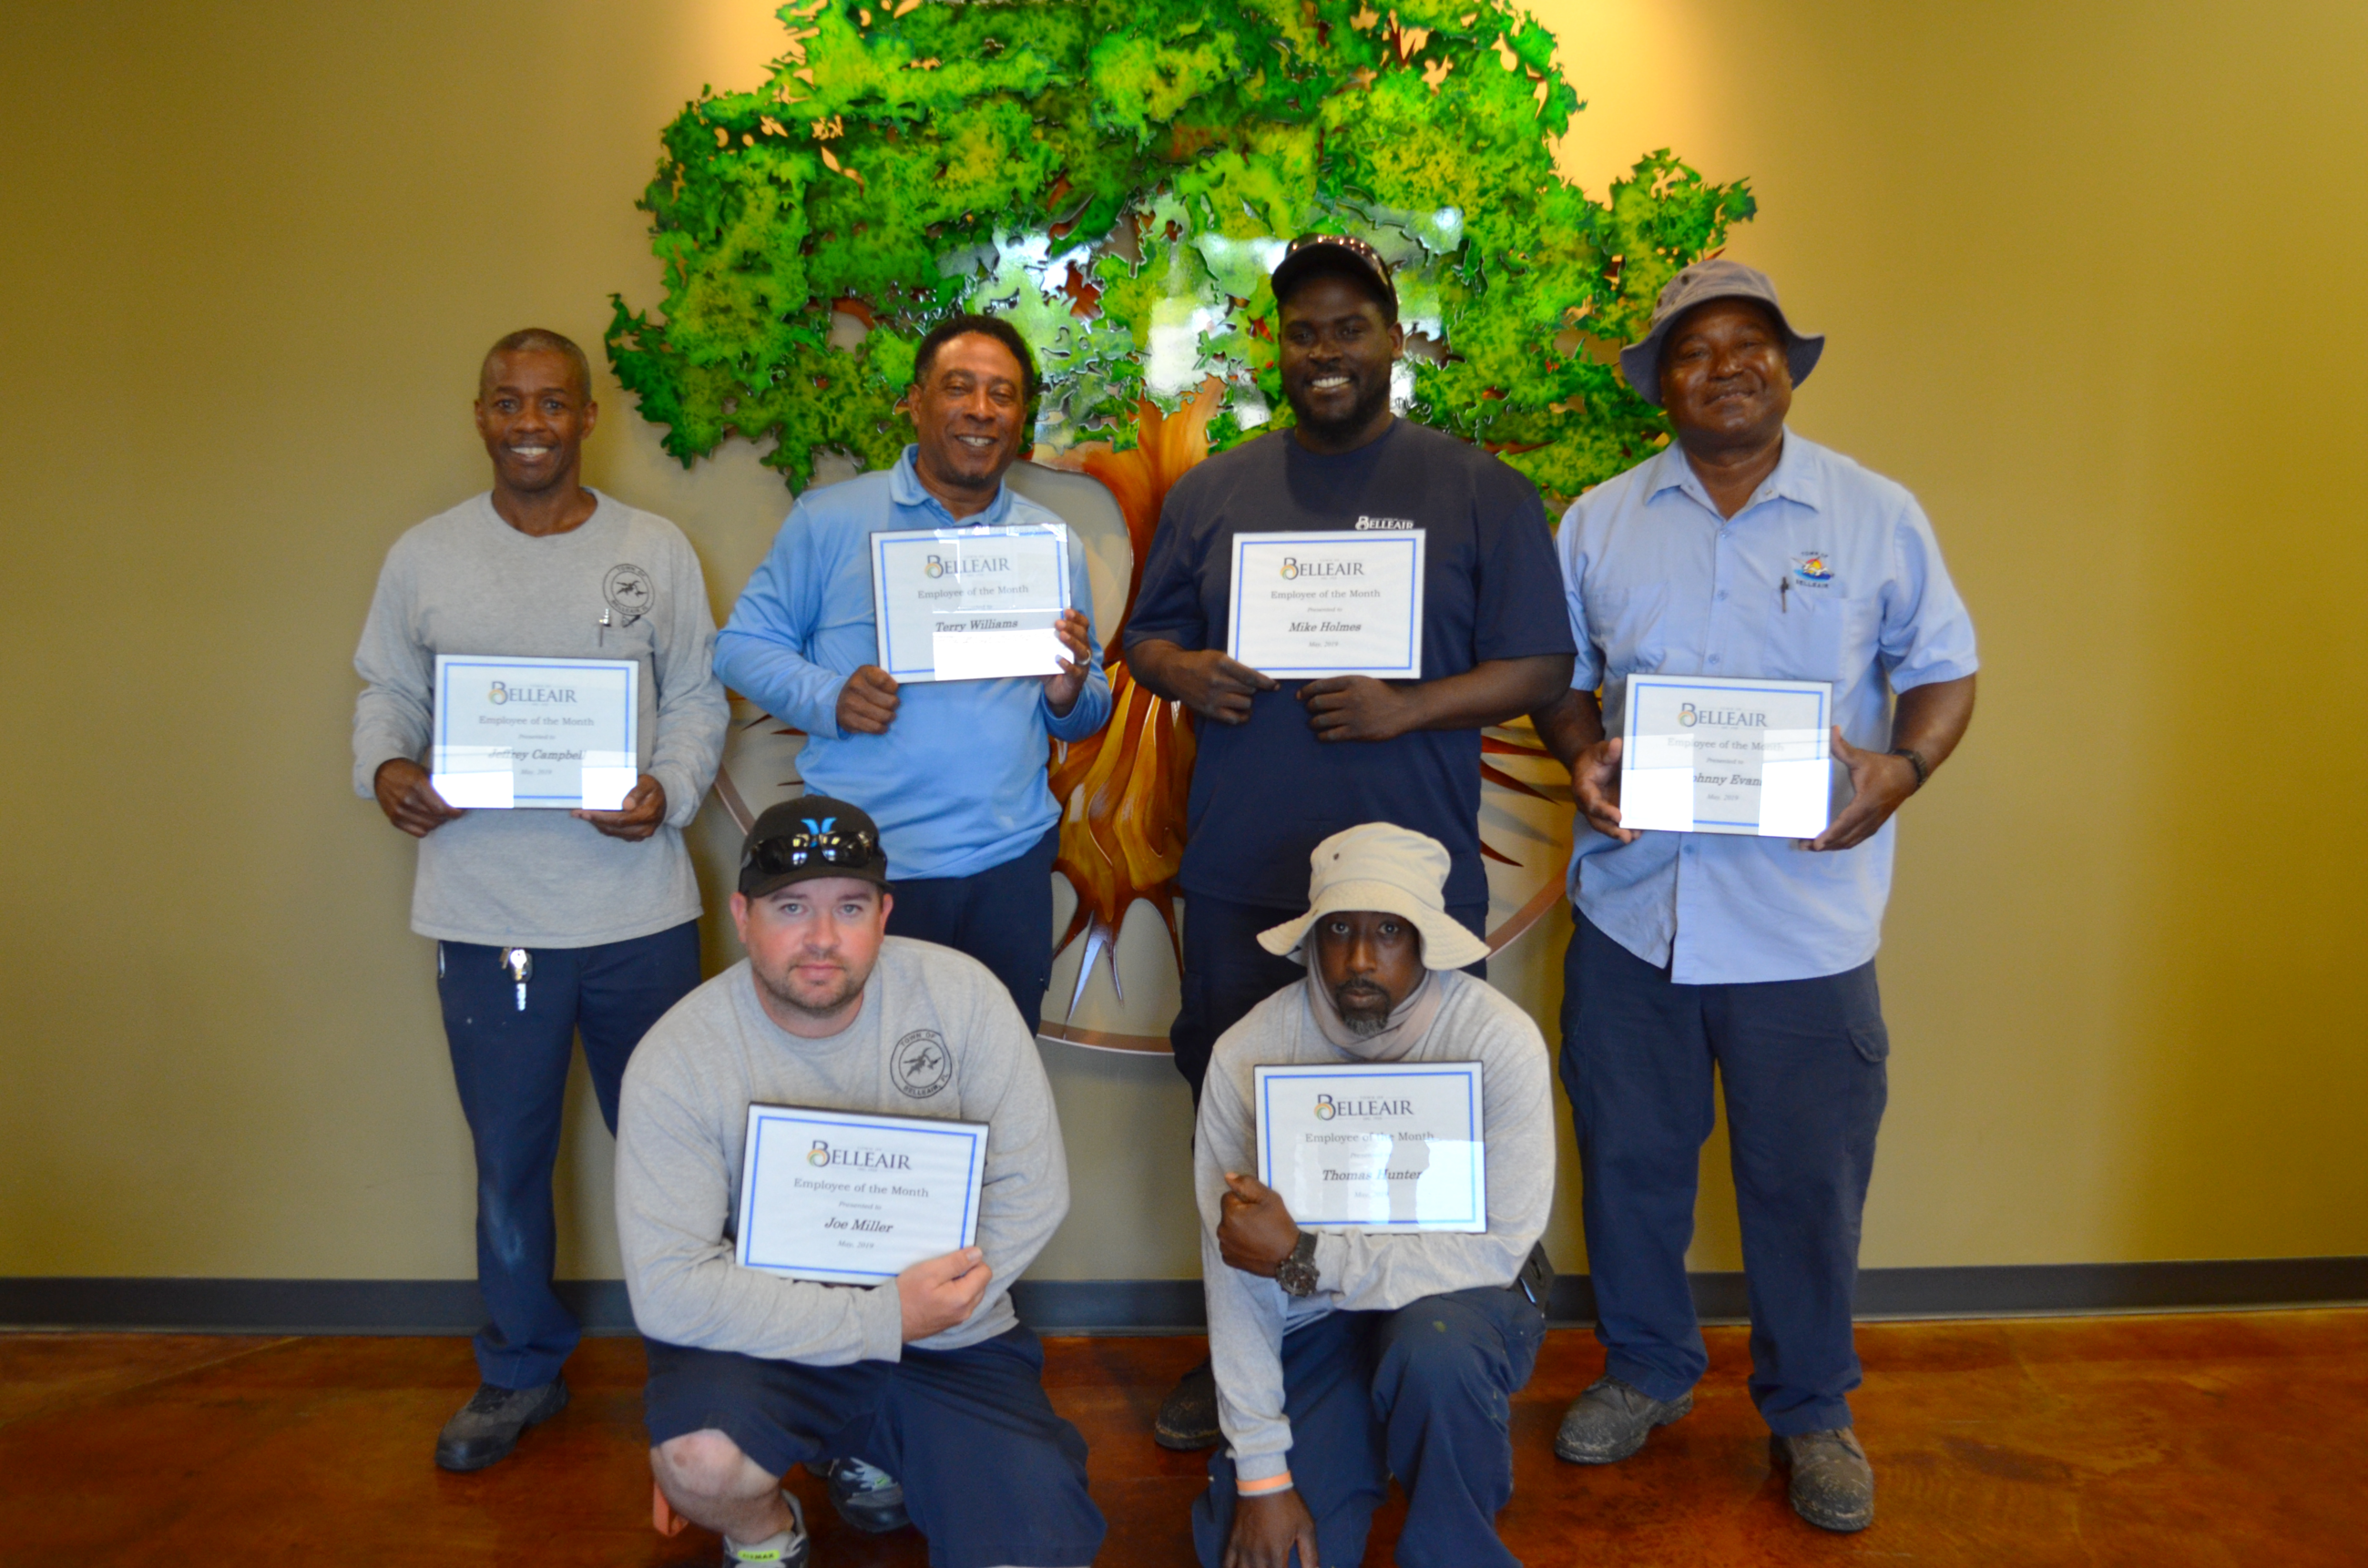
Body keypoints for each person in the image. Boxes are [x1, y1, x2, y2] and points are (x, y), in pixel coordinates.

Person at [1530, 258, 1978, 1532]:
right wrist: (1579, 749)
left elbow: (1946, 669)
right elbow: (1558, 672)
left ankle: (1813, 1411)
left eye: (1752, 344)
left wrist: (1905, 766)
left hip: (1805, 925)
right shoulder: (1599, 519)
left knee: (1806, 1182)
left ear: (1787, 365)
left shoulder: (1877, 513)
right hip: (1634, 914)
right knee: (1630, 1165)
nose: (1726, 366)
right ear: (1660, 382)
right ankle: (1646, 1371)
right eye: (1695, 349)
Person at [1123, 234, 1574, 1447]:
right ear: (1279, 345)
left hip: (1410, 891)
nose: (1326, 353)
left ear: (1393, 336)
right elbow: (1144, 639)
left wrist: (1407, 704)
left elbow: (1543, 664)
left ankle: (1414, 1340)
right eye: (1303, 332)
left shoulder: (1479, 488)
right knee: (1240, 1123)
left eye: (1349, 329)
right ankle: (1244, 1364)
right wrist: (1190, 669)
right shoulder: (1216, 490)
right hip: (1240, 873)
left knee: (1416, 1125)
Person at [352, 328, 728, 1471]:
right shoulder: (424, 557)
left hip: (637, 915)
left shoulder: (652, 549)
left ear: (585, 416)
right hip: (486, 917)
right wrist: (388, 771)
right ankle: (520, 1371)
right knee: (510, 1161)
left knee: (674, 1154)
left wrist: (666, 789)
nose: (530, 423)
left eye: (551, 404)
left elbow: (697, 700)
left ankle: (708, 1372)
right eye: (508, 404)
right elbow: (386, 689)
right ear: (480, 416)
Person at [617, 796, 1105, 1568]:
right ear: (743, 916)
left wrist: (932, 1307)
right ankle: (765, 1534)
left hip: (947, 1334)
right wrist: (881, 1319)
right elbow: (670, 1288)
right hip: (767, 1337)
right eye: (790, 907)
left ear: (884, 913)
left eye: (848, 907)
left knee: (1034, 1550)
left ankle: (881, 1443)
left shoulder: (964, 997)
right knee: (699, 1463)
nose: (820, 938)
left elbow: (1032, 1190)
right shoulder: (679, 1055)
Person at [715, 313, 1109, 1032]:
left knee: (991, 1080)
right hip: (865, 867)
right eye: (959, 388)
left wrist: (1067, 690)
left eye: (1003, 394)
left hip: (1008, 865)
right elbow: (740, 647)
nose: (981, 410)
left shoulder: (1051, 543)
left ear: (1021, 419)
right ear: (918, 400)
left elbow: (1090, 707)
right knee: (868, 1087)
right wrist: (830, 696)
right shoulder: (831, 520)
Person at [1190, 823, 1554, 1568]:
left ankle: (1458, 1544)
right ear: (1312, 940)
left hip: (1456, 1302)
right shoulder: (1246, 1054)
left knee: (1433, 1356)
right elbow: (1235, 1281)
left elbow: (1496, 1245)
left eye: (1389, 930)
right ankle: (1348, 1440)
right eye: (1339, 931)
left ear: (1425, 941)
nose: (1360, 958)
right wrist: (1262, 1473)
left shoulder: (1497, 1041)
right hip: (1310, 1317)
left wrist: (1307, 1258)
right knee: (1274, 1553)